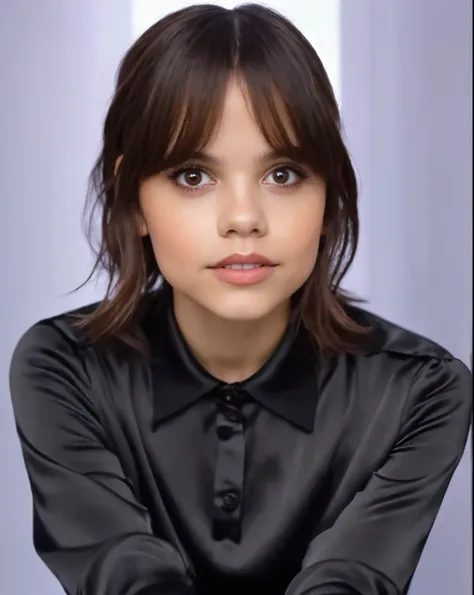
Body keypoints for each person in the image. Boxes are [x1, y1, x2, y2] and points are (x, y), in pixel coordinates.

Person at [9, 4, 471, 595]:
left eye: (283, 174)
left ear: (329, 196)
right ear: (132, 201)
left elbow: (350, 580)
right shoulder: (63, 367)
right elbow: (123, 574)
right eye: (193, 176)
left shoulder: (421, 391)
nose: (244, 219)